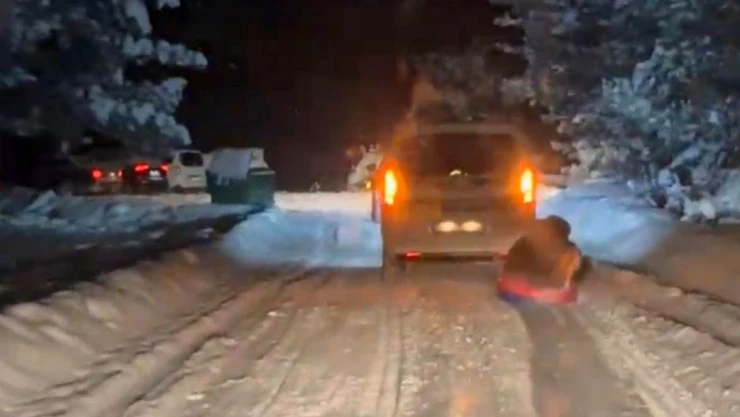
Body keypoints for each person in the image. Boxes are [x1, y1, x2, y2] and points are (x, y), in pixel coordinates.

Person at [498, 216, 584, 302]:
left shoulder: (569, 253)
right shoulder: (527, 242)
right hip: (526, 289)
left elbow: (558, 282)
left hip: (532, 289)